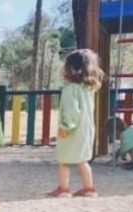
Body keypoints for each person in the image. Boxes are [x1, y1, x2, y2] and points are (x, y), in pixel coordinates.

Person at [48, 49, 104, 198]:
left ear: (71, 69)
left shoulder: (70, 90)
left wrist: (65, 127)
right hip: (85, 130)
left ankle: (64, 188)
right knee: (82, 160)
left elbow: (71, 110)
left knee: (64, 160)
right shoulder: (88, 90)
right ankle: (89, 188)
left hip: (72, 130)